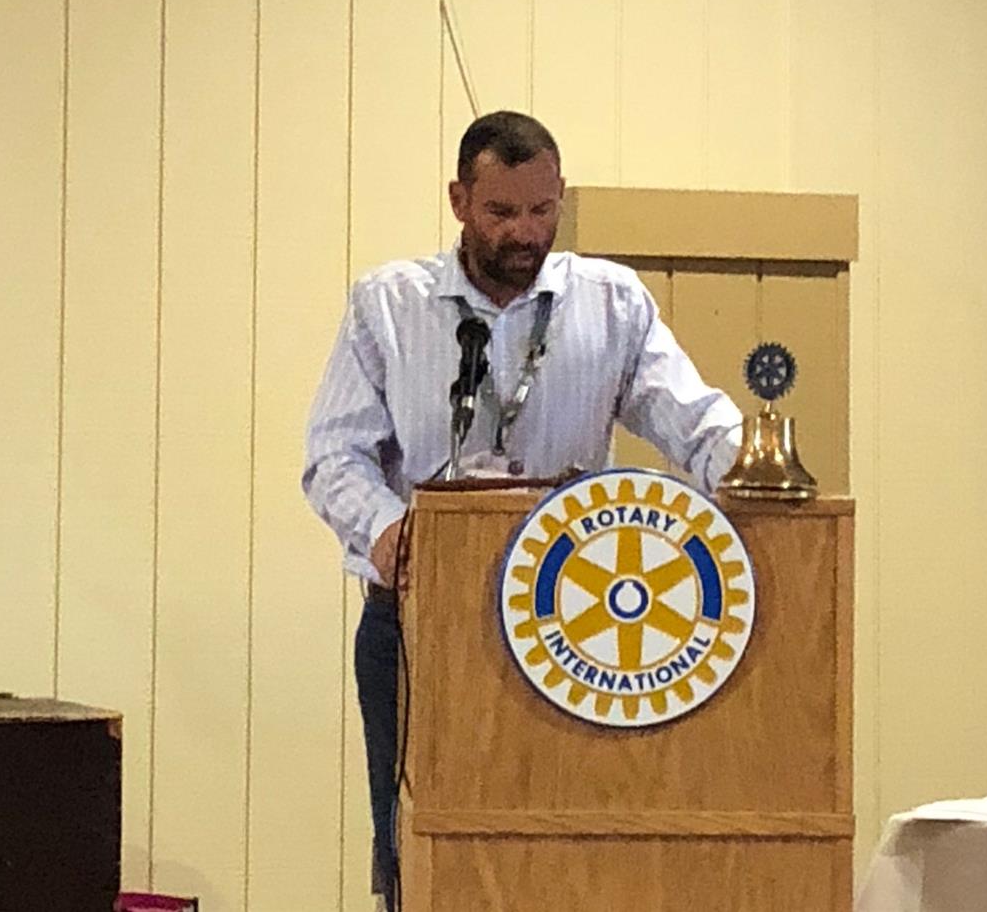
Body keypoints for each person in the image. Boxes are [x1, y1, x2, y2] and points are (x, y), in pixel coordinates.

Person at [301, 109, 745, 910]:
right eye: (502, 212)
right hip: (416, 625)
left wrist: (752, 467)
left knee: (560, 844)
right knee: (417, 843)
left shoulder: (611, 303)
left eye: (542, 210)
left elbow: (694, 420)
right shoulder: (388, 305)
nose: (525, 233)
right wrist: (387, 531)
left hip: (571, 627)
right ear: (458, 201)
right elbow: (334, 454)